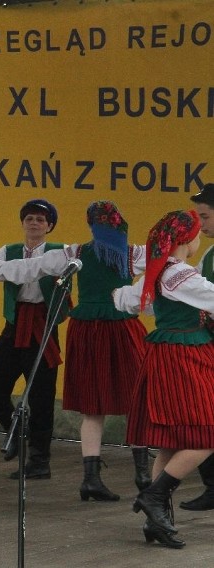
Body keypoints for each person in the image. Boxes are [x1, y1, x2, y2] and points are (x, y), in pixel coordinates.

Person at [0, 201, 150, 500]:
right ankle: (143, 475)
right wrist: (134, 296)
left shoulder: (77, 254)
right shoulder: (131, 254)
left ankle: (91, 478)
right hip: (120, 329)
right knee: (137, 399)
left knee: (93, 408)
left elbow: (30, 268)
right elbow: (168, 264)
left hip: (89, 331)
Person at [113, 209, 214, 549]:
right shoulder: (182, 274)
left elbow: (125, 300)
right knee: (206, 434)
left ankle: (157, 521)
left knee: (172, 440)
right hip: (185, 358)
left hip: (166, 353)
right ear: (189, 239)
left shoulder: (160, 271)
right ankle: (155, 497)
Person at [0, 199, 68, 480]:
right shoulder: (9, 251)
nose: (34, 223)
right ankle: (16, 425)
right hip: (15, 324)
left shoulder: (60, 252)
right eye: (29, 218)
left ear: (49, 226)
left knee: (42, 395)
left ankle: (39, 460)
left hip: (43, 326)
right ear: (23, 223)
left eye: (40, 219)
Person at [179, 182, 214, 512]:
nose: (200, 225)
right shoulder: (210, 254)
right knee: (205, 418)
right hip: (210, 346)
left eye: (204, 216)